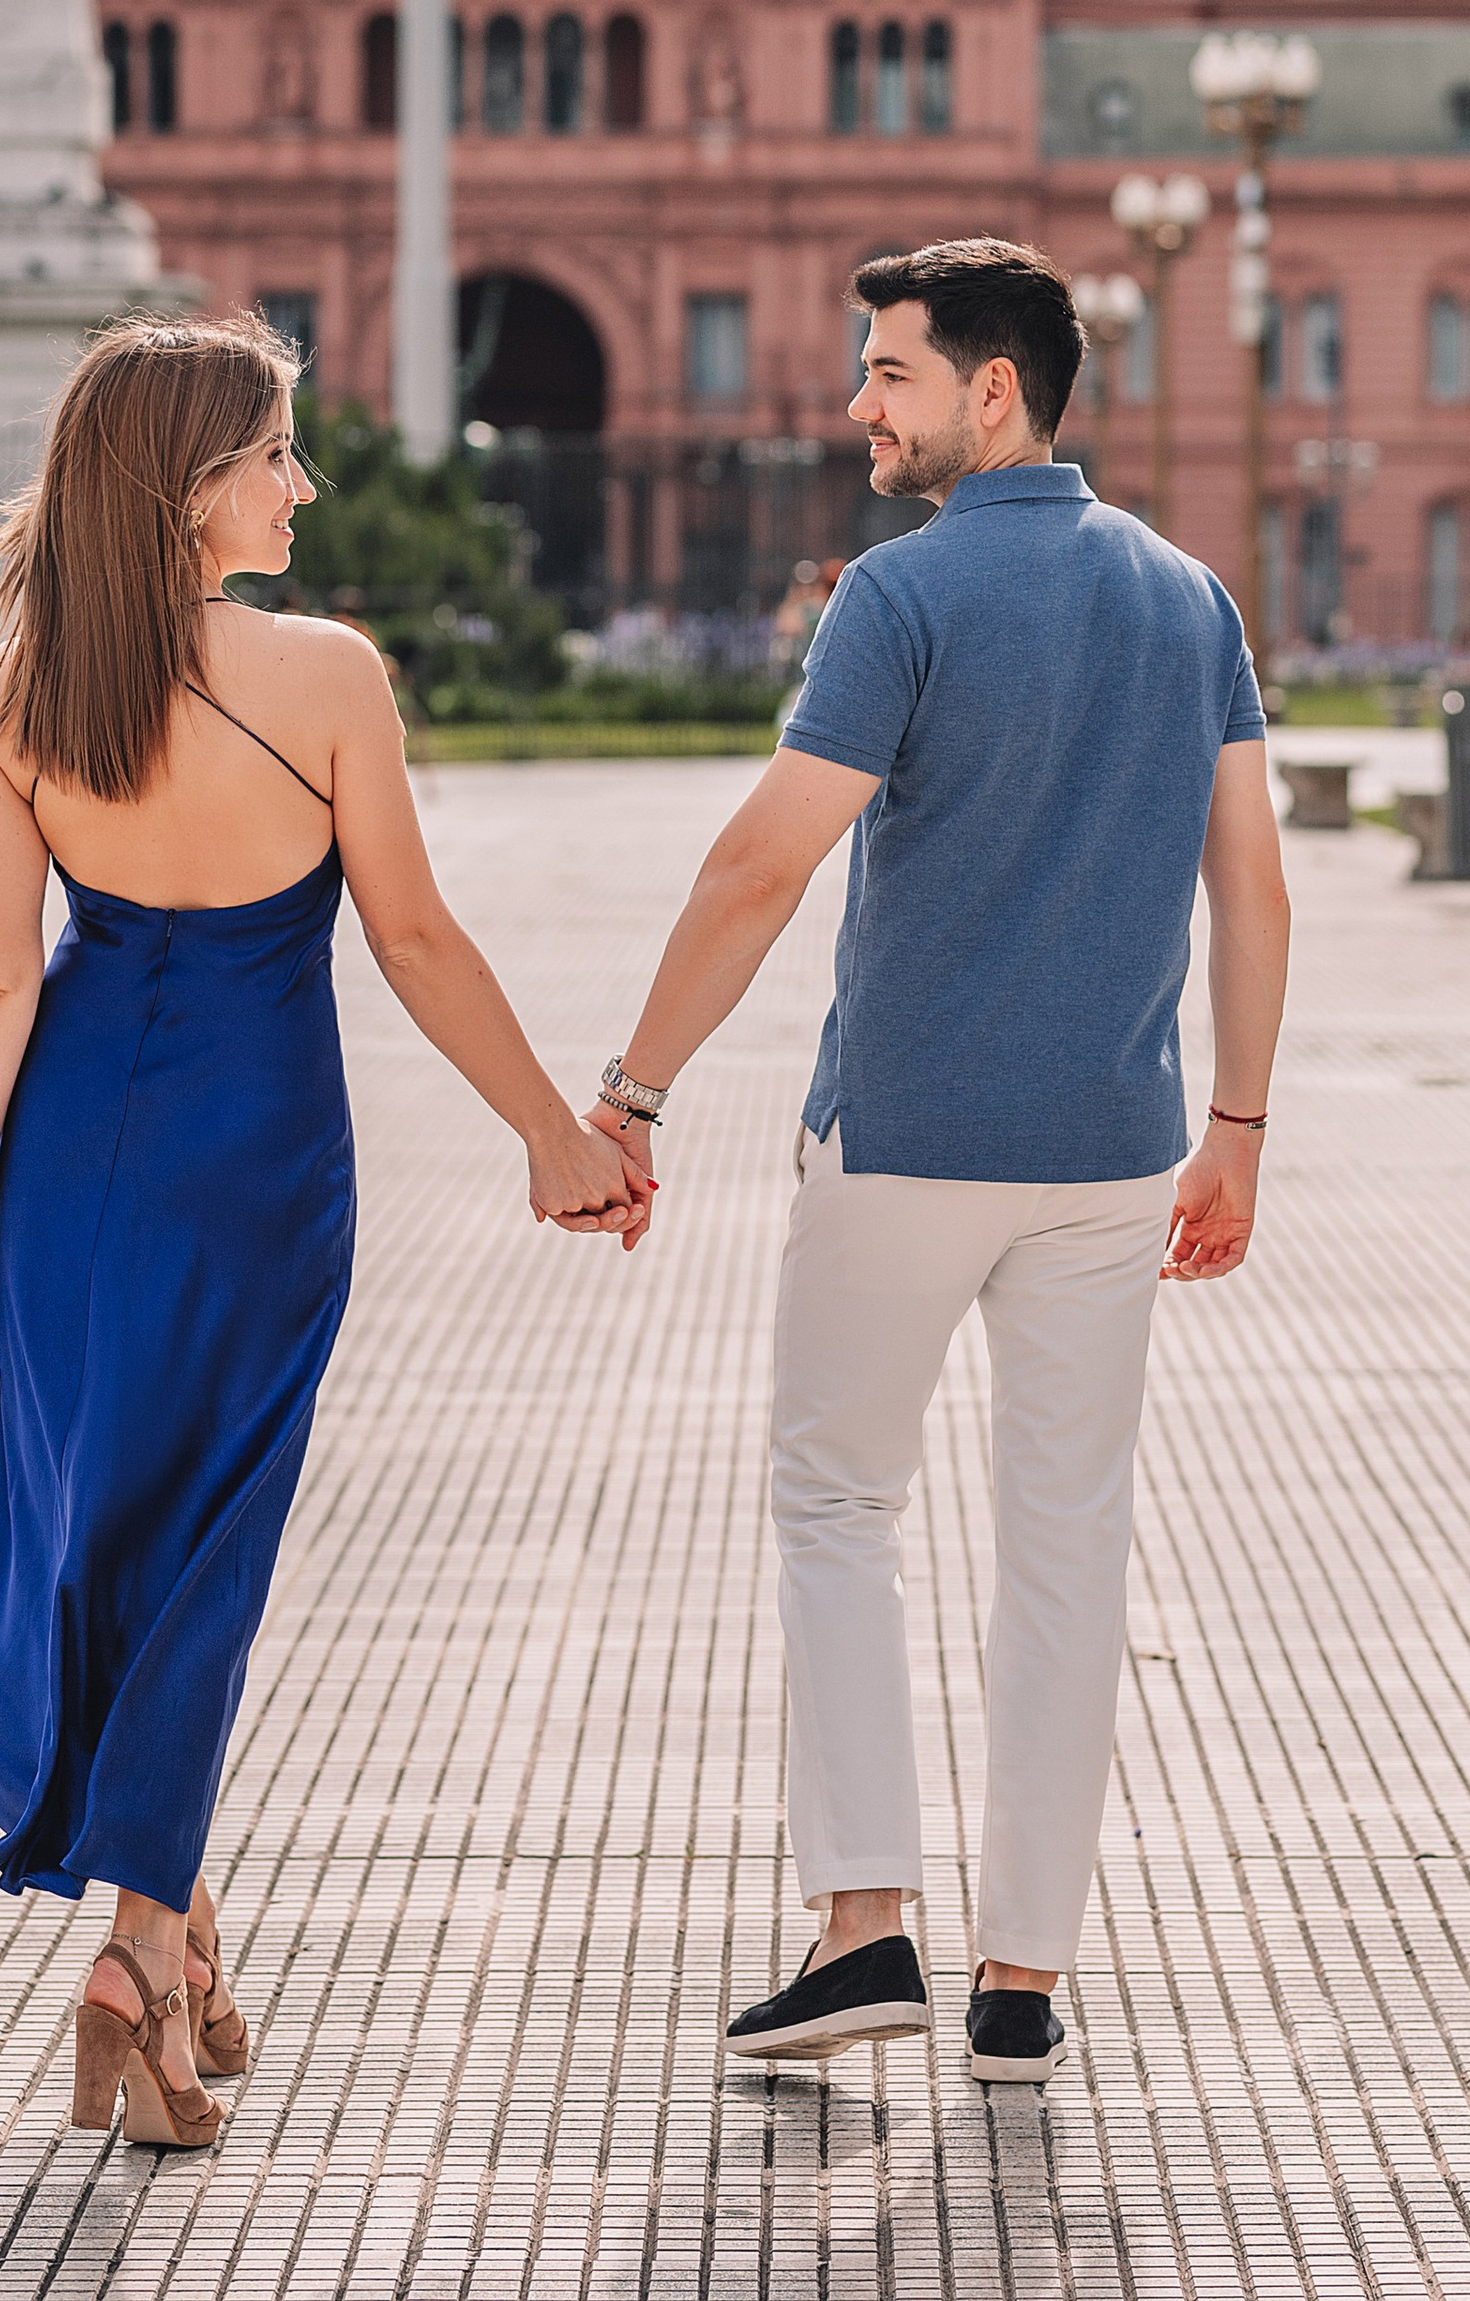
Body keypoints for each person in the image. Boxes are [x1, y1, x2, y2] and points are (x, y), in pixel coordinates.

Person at [0, 311, 643, 2152]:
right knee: (212, 1539)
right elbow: (409, 939)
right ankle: (141, 1959)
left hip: (76, 1148)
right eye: (276, 452)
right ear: (190, 484)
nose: (302, 484)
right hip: (259, 1153)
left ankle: (173, 1918)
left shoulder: (12, 690)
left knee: (102, 1524)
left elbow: (2, 969)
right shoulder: (323, 672)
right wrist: (554, 1133)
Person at [585, 239, 1289, 2085]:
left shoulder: (897, 598)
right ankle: (1021, 1981)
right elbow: (1254, 880)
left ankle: (862, 1927)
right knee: (1069, 1540)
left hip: (903, 1142)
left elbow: (761, 864)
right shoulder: (1188, 597)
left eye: (888, 372)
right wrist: (1238, 1127)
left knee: (838, 1507)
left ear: (994, 391)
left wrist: (633, 1089)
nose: (857, 407)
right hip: (1117, 1154)